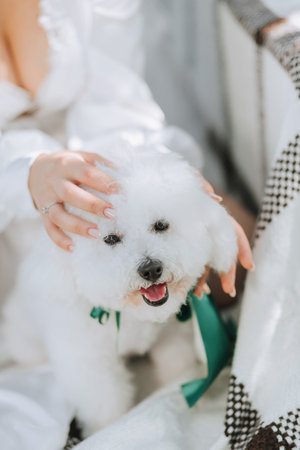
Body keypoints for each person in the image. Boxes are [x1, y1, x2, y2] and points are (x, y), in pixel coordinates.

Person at [0, 0, 253, 307]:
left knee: (238, 252)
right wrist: (28, 176)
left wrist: (152, 175)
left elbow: (117, 101)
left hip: (92, 160)